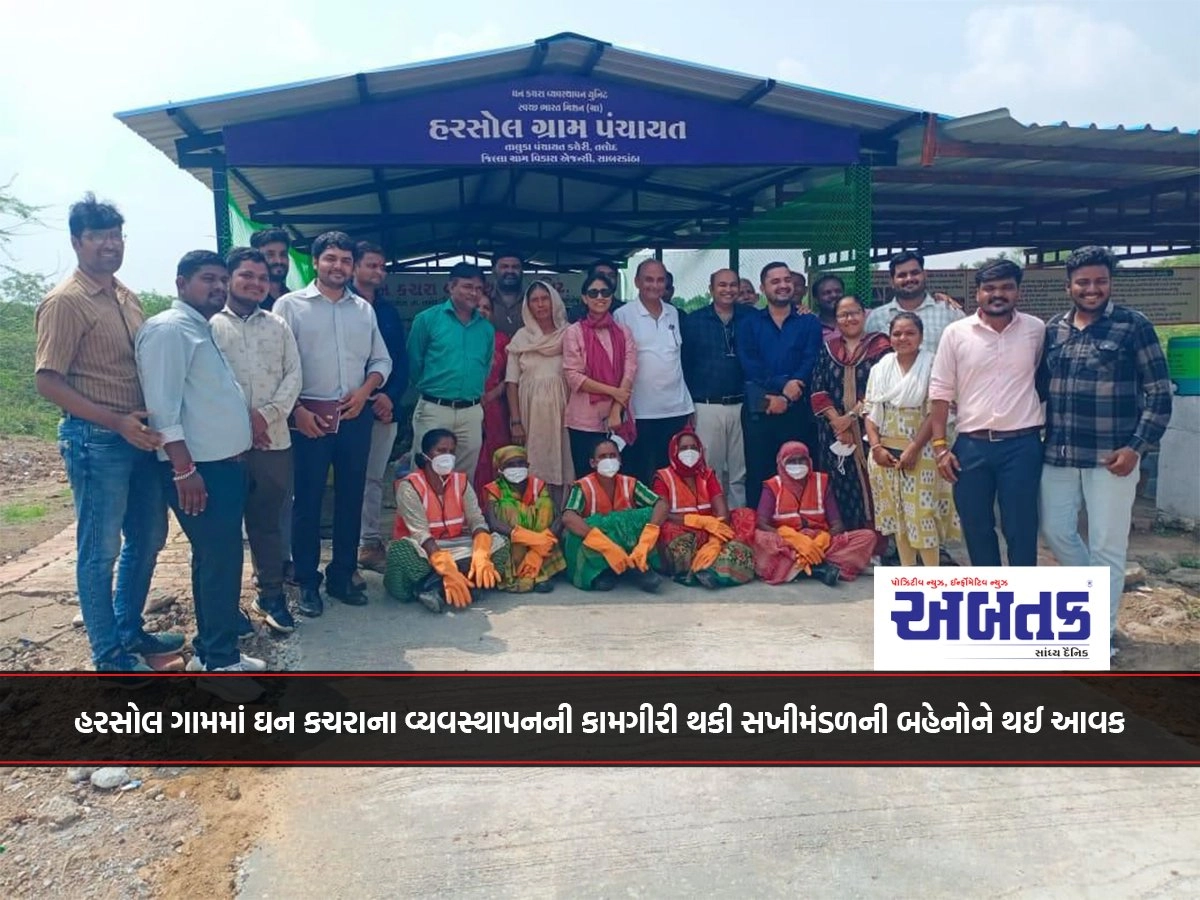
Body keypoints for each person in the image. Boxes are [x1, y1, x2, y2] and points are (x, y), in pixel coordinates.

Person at [34, 193, 177, 676]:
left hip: (137, 437)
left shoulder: (123, 294)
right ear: (77, 242)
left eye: (115, 236)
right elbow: (47, 380)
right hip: (97, 439)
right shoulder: (66, 302)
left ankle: (129, 628)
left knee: (149, 535)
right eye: (98, 237)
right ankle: (109, 655)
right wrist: (114, 421)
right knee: (100, 551)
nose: (109, 245)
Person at [135, 250, 265, 679]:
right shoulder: (169, 330)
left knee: (220, 559)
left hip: (223, 466)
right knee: (217, 559)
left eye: (221, 280)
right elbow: (162, 407)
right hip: (200, 471)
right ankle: (218, 661)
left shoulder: (200, 328)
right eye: (208, 279)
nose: (218, 288)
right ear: (180, 283)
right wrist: (184, 470)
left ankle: (215, 649)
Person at [1039, 246, 1172, 652]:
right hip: (1059, 454)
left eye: (1099, 281)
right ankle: (1094, 598)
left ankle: (1100, 633)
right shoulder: (1054, 329)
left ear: (1110, 283)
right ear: (1069, 287)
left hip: (1112, 458)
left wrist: (1136, 448)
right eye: (1083, 282)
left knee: (1107, 545)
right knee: (1057, 532)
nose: (1091, 289)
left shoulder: (1133, 327)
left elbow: (1159, 394)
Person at [274, 231, 393, 617]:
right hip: (307, 419)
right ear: (314, 262)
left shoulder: (363, 310)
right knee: (307, 502)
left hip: (354, 417)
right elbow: (278, 366)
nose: (338, 266)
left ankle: (343, 573)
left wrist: (365, 392)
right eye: (331, 259)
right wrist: (295, 412)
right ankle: (307, 581)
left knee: (350, 498)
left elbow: (381, 361)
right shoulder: (289, 306)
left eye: (345, 260)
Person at [210, 247, 302, 635]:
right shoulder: (209, 325)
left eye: (262, 278)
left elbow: (294, 375)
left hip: (273, 442)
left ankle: (271, 595)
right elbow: (206, 385)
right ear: (229, 278)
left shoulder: (277, 325)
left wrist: (265, 417)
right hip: (224, 447)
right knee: (224, 530)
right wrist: (241, 425)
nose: (255, 284)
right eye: (246, 276)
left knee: (267, 524)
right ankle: (224, 608)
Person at [930, 259, 1045, 567]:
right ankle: (990, 599)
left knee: (1021, 527)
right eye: (990, 288)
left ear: (1018, 291)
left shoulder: (1036, 330)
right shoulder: (956, 333)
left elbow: (1040, 379)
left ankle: (1022, 603)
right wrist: (940, 447)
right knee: (976, 527)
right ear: (977, 293)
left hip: (1022, 445)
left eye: (1007, 287)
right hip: (972, 446)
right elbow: (940, 392)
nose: (998, 294)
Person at [864, 312, 961, 566]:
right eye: (897, 333)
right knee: (899, 520)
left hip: (922, 453)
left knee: (921, 517)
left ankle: (931, 582)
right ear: (889, 336)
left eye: (910, 333)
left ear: (921, 336)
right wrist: (875, 447)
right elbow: (870, 411)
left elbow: (935, 413)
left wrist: (914, 449)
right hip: (885, 455)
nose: (903, 338)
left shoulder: (932, 366)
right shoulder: (881, 368)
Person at [384, 429, 507, 612]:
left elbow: (477, 521)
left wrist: (481, 553)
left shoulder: (461, 481)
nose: (447, 457)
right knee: (400, 551)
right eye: (441, 451)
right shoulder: (409, 486)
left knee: (502, 543)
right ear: (425, 455)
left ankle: (434, 587)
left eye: (451, 452)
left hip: (458, 546)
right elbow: (420, 533)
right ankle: (455, 582)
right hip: (423, 550)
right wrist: (445, 565)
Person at [737, 261, 823, 510]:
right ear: (763, 288)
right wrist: (783, 387)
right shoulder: (749, 324)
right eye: (775, 281)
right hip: (761, 407)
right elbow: (750, 363)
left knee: (799, 469)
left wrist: (788, 396)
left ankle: (802, 525)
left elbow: (810, 360)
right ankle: (762, 532)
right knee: (759, 472)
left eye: (787, 280)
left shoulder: (809, 322)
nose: (783, 285)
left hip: (799, 408)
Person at [809, 295, 892, 545]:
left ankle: (878, 544)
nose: (849, 318)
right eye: (843, 315)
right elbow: (818, 388)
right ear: (836, 320)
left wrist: (851, 417)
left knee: (874, 484)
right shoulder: (828, 349)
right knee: (841, 483)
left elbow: (882, 390)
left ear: (863, 314)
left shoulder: (881, 348)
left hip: (871, 429)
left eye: (854, 312)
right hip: (835, 433)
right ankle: (848, 542)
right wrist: (837, 421)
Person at [349, 242, 409, 575]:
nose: (379, 272)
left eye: (382, 267)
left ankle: (368, 544)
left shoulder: (387, 311)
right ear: (354, 267)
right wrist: (365, 398)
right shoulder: (341, 306)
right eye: (372, 265)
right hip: (346, 408)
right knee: (348, 478)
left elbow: (399, 360)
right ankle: (344, 548)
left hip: (384, 407)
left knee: (373, 479)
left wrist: (389, 398)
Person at [407, 261, 494, 480]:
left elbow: (485, 367)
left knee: (464, 475)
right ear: (451, 287)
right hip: (435, 407)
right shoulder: (427, 320)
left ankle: (457, 515)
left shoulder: (485, 328)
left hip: (471, 411)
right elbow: (414, 362)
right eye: (467, 286)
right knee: (426, 471)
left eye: (478, 288)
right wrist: (433, 389)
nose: (473, 293)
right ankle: (422, 515)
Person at [613, 259, 694, 484]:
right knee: (639, 475)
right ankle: (641, 519)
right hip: (640, 412)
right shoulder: (623, 315)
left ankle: (670, 518)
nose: (654, 285)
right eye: (649, 279)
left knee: (671, 477)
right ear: (637, 282)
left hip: (675, 410)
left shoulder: (674, 314)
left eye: (660, 280)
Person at [754, 442, 876, 585]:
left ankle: (798, 566)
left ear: (809, 461)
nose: (798, 464)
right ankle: (820, 566)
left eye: (802, 460)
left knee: (867, 537)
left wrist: (821, 541)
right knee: (758, 538)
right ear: (781, 463)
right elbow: (761, 523)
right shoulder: (772, 485)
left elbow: (837, 524)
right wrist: (792, 538)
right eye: (792, 461)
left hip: (820, 542)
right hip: (787, 544)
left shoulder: (822, 481)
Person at [652, 429, 756, 588]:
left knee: (745, 516)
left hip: (710, 532)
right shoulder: (663, 477)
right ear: (674, 451)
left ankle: (709, 571)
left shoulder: (707, 474)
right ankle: (696, 570)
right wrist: (696, 520)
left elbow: (722, 510)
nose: (689, 452)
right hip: (682, 529)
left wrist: (715, 540)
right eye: (684, 448)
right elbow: (662, 513)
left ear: (700, 451)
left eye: (693, 448)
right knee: (670, 532)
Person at [560, 437, 667, 592]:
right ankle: (600, 572)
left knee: (648, 514)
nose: (608, 460)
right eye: (602, 457)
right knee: (574, 532)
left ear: (620, 459)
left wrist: (648, 537)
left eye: (612, 456)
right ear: (593, 463)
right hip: (600, 543)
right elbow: (568, 517)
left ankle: (638, 565)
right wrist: (606, 546)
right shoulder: (583, 486)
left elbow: (661, 504)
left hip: (628, 540)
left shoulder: (630, 483)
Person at [681, 268, 750, 507]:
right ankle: (714, 520)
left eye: (733, 285)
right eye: (722, 285)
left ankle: (739, 521)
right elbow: (684, 364)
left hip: (742, 404)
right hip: (706, 404)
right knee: (710, 468)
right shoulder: (693, 321)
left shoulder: (750, 317)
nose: (728, 290)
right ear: (711, 289)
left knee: (739, 470)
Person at [562, 271, 638, 477]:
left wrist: (616, 410)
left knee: (620, 475)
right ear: (584, 298)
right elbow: (574, 376)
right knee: (587, 477)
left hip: (618, 418)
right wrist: (615, 392)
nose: (599, 297)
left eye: (605, 292)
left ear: (612, 296)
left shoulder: (623, 331)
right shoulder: (574, 332)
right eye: (593, 293)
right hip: (583, 419)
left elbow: (630, 370)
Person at [505, 280, 573, 506]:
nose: (541, 304)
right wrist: (516, 421)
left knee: (563, 461)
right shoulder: (520, 338)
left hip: (564, 410)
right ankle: (536, 515)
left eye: (545, 299)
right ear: (528, 305)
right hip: (530, 412)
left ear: (554, 301)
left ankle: (563, 517)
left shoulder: (570, 334)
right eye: (535, 300)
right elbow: (511, 382)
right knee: (534, 460)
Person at [481, 445, 566, 593]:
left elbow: (558, 518)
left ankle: (535, 570)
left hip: (542, 540)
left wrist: (543, 540)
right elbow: (493, 522)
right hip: (513, 540)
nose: (517, 468)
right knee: (508, 508)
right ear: (500, 469)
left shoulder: (538, 485)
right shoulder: (494, 488)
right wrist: (529, 537)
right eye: (510, 465)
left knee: (545, 505)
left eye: (521, 464)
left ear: (528, 466)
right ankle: (527, 574)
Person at [865, 251, 964, 354]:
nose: (909, 278)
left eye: (914, 273)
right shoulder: (876, 318)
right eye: (902, 275)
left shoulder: (950, 313)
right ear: (892, 281)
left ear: (925, 275)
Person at [472, 292, 512, 493]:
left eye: (487, 308)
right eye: (478, 306)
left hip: (496, 406)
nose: (482, 311)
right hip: (468, 404)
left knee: (496, 455)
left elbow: (511, 377)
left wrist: (492, 395)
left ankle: (496, 504)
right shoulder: (463, 337)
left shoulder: (502, 340)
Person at [249, 228, 292, 311]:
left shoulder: (293, 301)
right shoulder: (249, 301)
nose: (278, 261)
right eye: (270, 255)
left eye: (283, 254)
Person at [489, 248, 526, 337]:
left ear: (522, 271)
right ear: (494, 270)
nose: (510, 271)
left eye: (515, 267)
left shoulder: (532, 301)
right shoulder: (483, 302)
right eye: (504, 267)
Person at [810, 274, 845, 338]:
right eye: (827, 292)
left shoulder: (859, 319)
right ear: (816, 299)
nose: (834, 295)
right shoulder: (810, 325)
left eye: (838, 291)